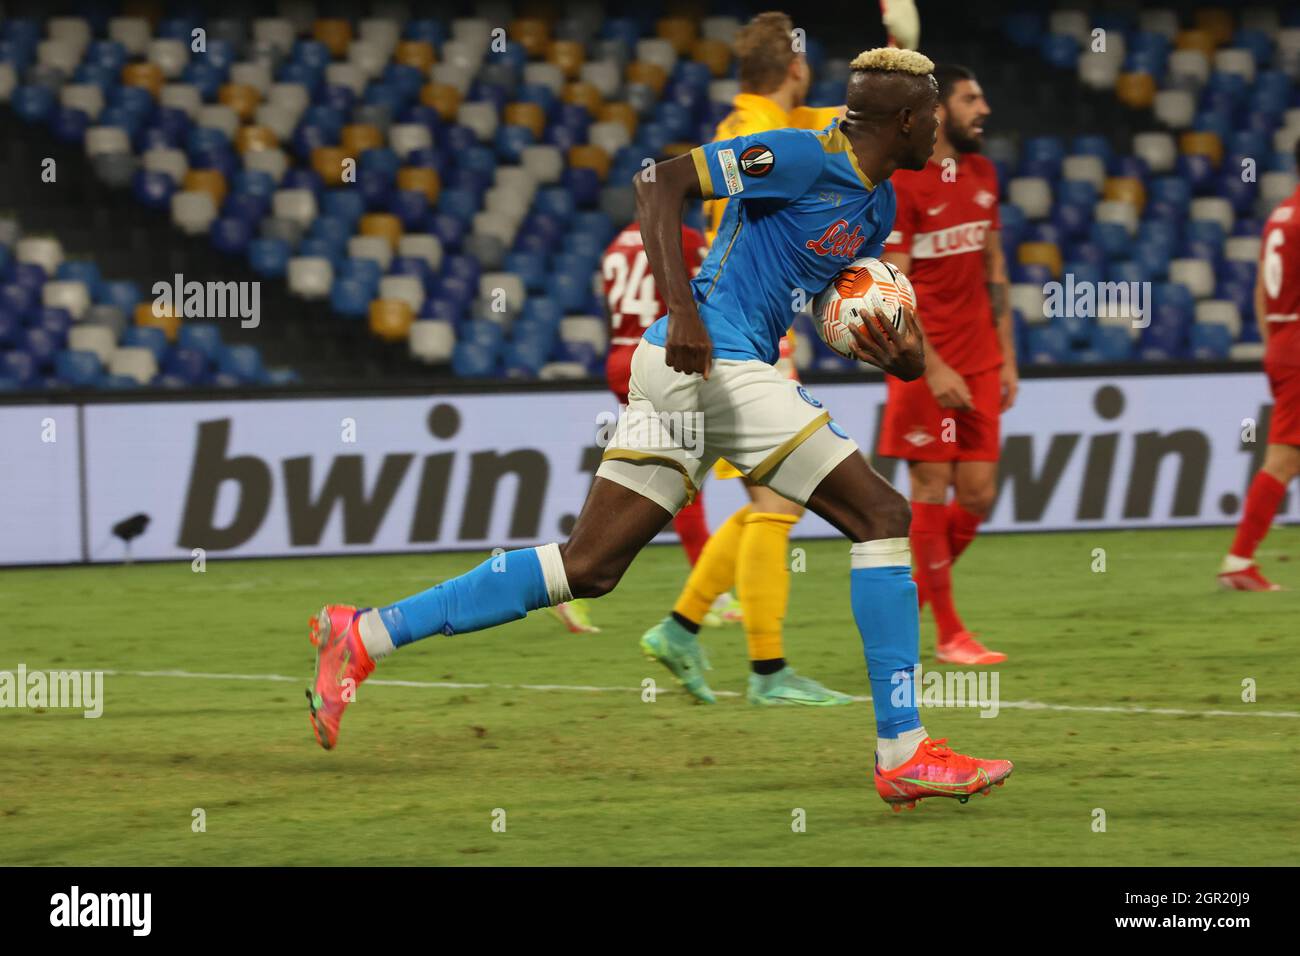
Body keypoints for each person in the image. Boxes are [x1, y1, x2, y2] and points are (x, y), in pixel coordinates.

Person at [305, 47, 1013, 811]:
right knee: (883, 515)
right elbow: (661, 180)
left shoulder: (875, 208)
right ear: (904, 120)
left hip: (701, 374)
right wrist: (678, 306)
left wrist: (902, 358)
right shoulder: (804, 157)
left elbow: (833, 305)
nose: (941, 127)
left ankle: (364, 634)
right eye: (933, 112)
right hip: (708, 358)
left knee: (589, 565)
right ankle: (903, 751)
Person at [640, 10, 853, 706]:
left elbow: (847, 118)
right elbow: (845, 128)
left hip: (734, 325)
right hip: (737, 328)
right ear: (794, 66)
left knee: (768, 497)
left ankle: (681, 627)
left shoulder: (749, 119)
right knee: (777, 498)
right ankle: (767, 672)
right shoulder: (778, 130)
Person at [878, 64, 1016, 665]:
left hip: (982, 357)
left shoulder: (984, 173)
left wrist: (1007, 355)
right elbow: (894, 288)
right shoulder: (904, 185)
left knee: (980, 495)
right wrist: (929, 367)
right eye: (971, 98)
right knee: (930, 489)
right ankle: (949, 633)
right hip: (923, 362)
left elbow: (995, 269)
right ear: (939, 112)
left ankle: (913, 603)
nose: (983, 107)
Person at [548, 219, 710, 634]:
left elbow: (609, 310)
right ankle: (711, 591)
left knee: (650, 464)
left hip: (622, 356)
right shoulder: (684, 237)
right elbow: (705, 297)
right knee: (685, 465)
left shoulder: (614, 246)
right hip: (663, 355)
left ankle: (566, 574)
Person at [1218, 140, 1300, 591]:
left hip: (1285, 338)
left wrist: (1276, 345)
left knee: (1287, 459)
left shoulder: (1282, 215)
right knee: (1283, 460)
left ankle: (1238, 562)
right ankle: (1237, 562)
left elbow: (1260, 290)